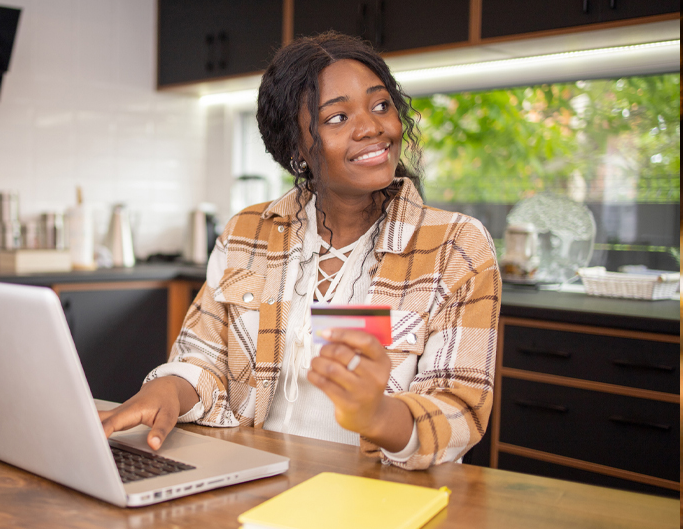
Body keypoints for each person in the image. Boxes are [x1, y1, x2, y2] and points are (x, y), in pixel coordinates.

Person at [101, 32, 500, 470]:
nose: (372, 127)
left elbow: (460, 408)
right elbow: (203, 357)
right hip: (253, 476)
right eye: (337, 117)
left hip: (383, 493)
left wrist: (380, 415)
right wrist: (167, 390)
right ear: (296, 150)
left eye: (381, 104)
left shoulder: (456, 246)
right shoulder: (246, 233)